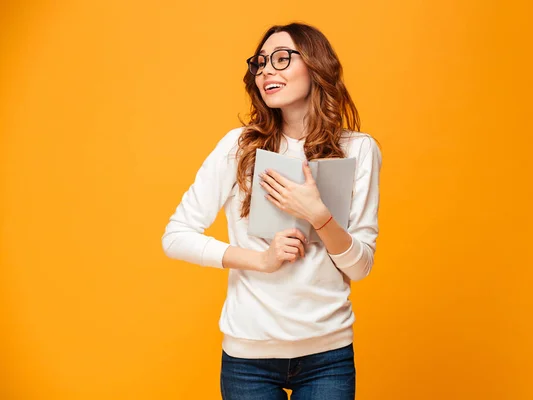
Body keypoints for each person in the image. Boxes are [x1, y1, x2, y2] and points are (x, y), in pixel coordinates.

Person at [162, 22, 382, 400]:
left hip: (327, 355)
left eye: (282, 59)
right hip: (249, 357)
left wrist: (319, 216)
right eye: (260, 63)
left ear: (316, 66)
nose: (266, 70)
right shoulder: (240, 146)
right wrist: (261, 260)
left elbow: (359, 267)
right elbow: (176, 236)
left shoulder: (359, 150)